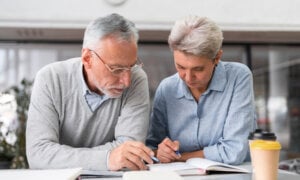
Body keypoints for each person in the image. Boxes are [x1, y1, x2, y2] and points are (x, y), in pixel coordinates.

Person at [26, 13, 154, 171]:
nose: (126, 81)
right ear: (87, 58)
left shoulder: (136, 79)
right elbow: (39, 155)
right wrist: (108, 159)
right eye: (116, 69)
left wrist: (61, 157)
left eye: (131, 66)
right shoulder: (50, 79)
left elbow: (130, 154)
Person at [146, 15, 257, 165]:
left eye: (198, 69)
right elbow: (152, 147)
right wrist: (161, 152)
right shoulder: (167, 89)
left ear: (217, 57)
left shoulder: (238, 77)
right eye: (181, 67)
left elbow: (234, 151)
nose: (188, 77)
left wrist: (180, 156)